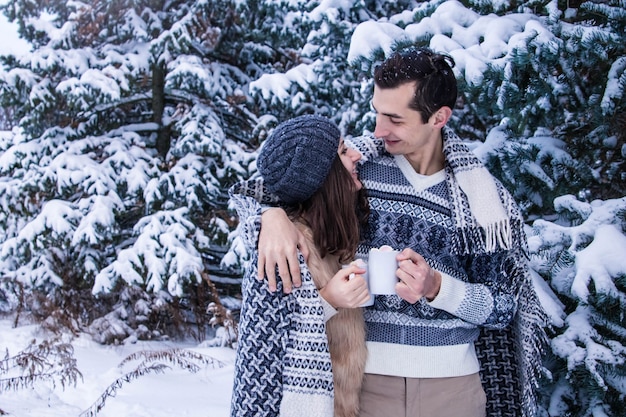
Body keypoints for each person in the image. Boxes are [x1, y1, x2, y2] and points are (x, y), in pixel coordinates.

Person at [256, 48, 548, 417]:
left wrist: (438, 288)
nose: (378, 130)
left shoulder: (484, 201)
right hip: (365, 387)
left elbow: (505, 306)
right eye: (377, 112)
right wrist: (272, 214)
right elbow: (276, 177)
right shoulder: (357, 170)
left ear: (439, 117)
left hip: (454, 391)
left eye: (394, 118)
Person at [229, 114, 372, 417]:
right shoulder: (281, 247)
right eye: (344, 152)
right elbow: (264, 355)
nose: (357, 154)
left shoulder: (329, 238)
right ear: (322, 176)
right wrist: (330, 300)